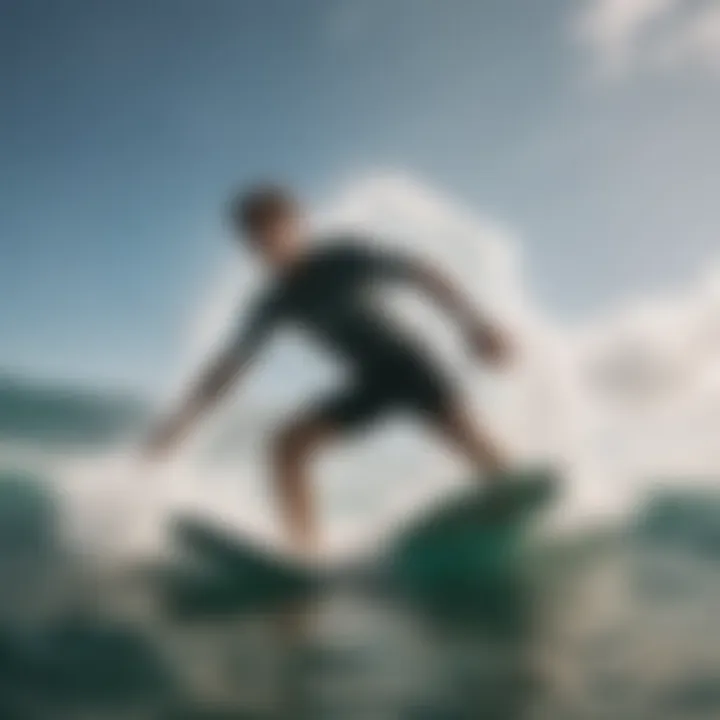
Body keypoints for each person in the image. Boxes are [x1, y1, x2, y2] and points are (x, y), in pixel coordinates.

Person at [144, 185, 514, 556]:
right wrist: (181, 422)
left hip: (411, 365)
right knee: (287, 446)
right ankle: (305, 553)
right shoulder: (274, 302)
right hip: (371, 383)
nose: (266, 246)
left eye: (273, 232)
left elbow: (421, 272)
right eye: (255, 239)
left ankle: (516, 495)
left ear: (296, 226)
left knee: (473, 446)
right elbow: (229, 367)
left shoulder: (342, 259)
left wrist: (474, 325)